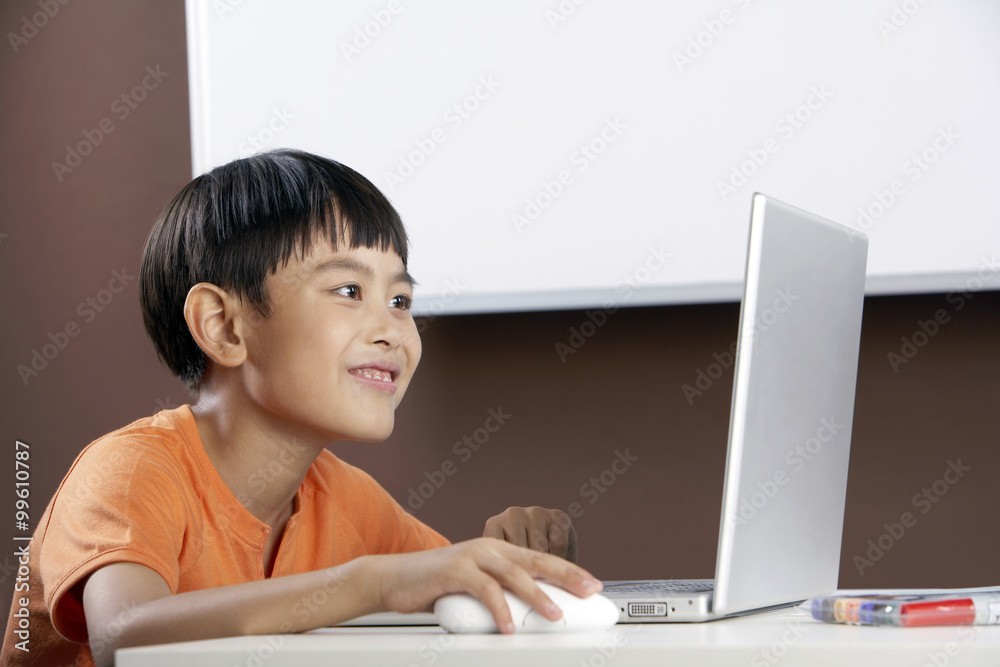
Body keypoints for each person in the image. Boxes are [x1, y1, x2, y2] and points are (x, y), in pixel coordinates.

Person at [1, 149, 601, 667]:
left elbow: (453, 593)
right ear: (224, 327)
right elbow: (121, 636)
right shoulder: (132, 471)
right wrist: (369, 583)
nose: (393, 329)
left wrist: (528, 570)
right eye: (349, 291)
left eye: (400, 299)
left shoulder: (347, 500)